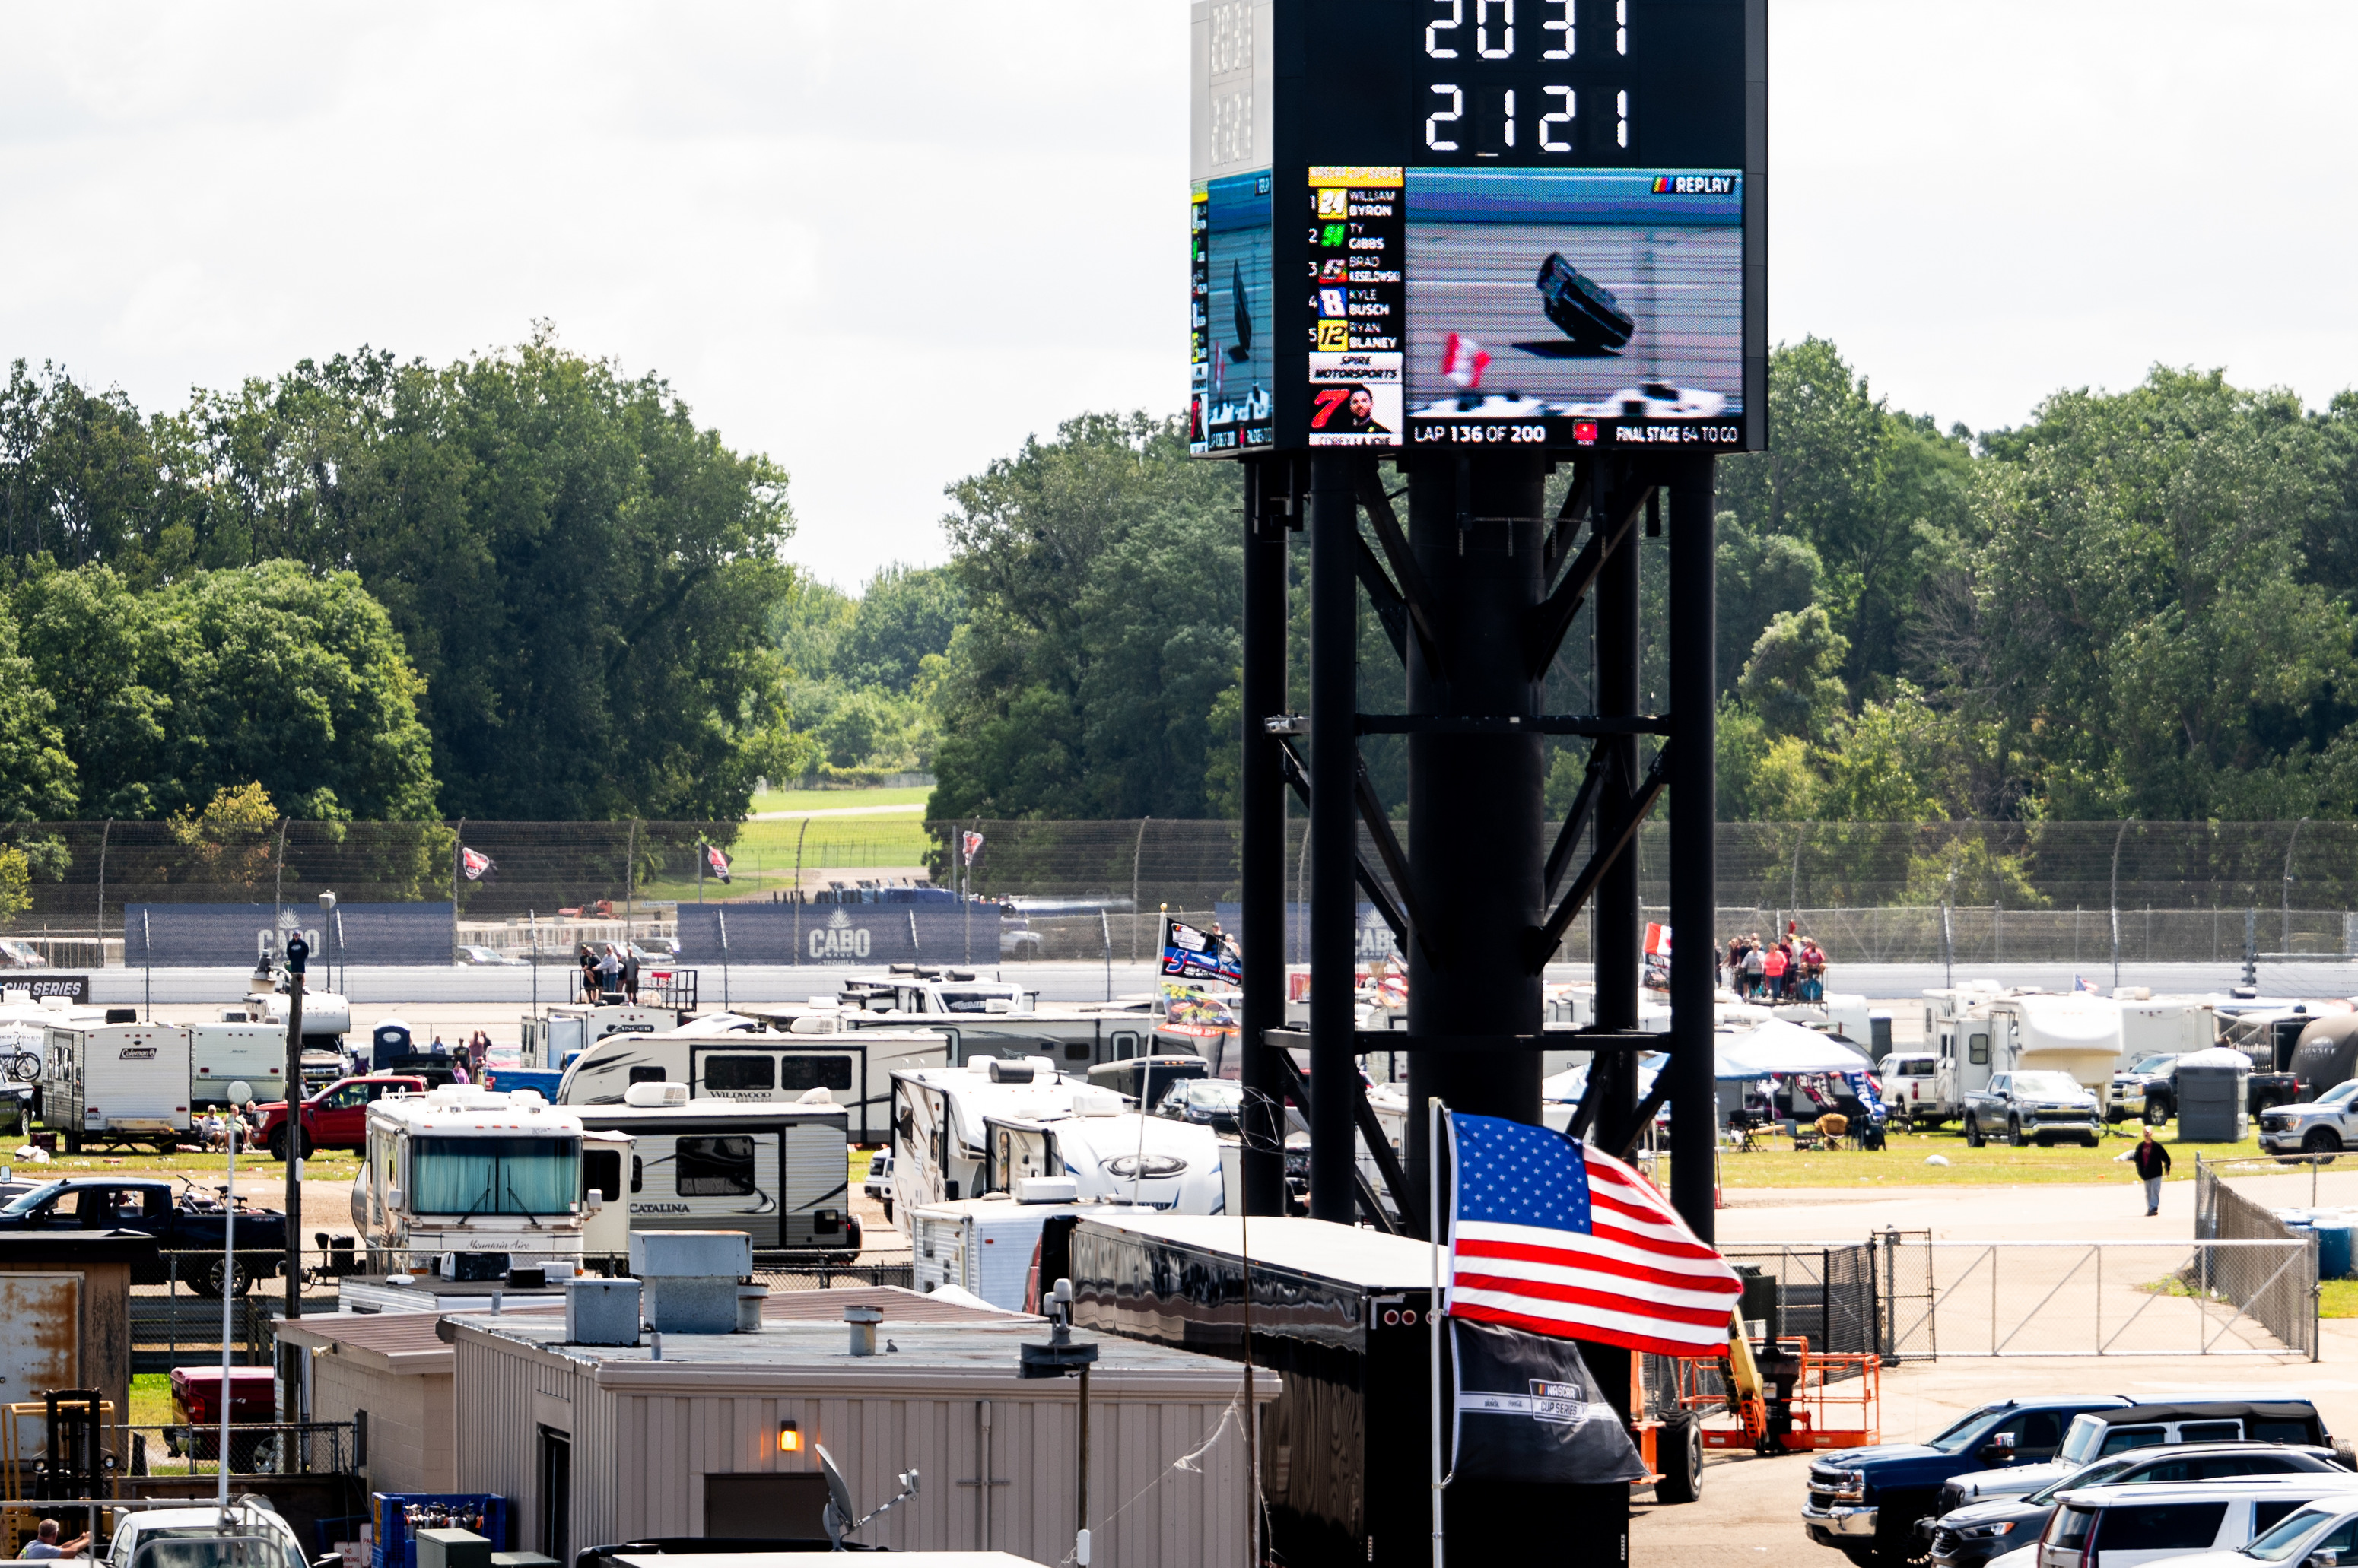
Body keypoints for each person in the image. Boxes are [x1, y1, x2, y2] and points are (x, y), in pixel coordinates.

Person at [2120, 1125, 2172, 1215]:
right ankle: (2150, 1208)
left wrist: (2167, 1169)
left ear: (2151, 1133)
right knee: (2148, 1192)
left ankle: (2153, 1208)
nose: (2146, 1134)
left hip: (2156, 1173)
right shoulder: (2141, 1146)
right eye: (2145, 1132)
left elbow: (2166, 1158)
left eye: (2147, 1132)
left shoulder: (2156, 1146)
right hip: (2146, 1174)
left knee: (2155, 1191)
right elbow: (2138, 1159)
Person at [21, 1519, 87, 1558]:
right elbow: (71, 1552)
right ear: (54, 1534)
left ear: (39, 1532)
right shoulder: (44, 1549)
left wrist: (79, 1539)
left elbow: (62, 1547)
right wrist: (87, 1539)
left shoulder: (31, 1544)